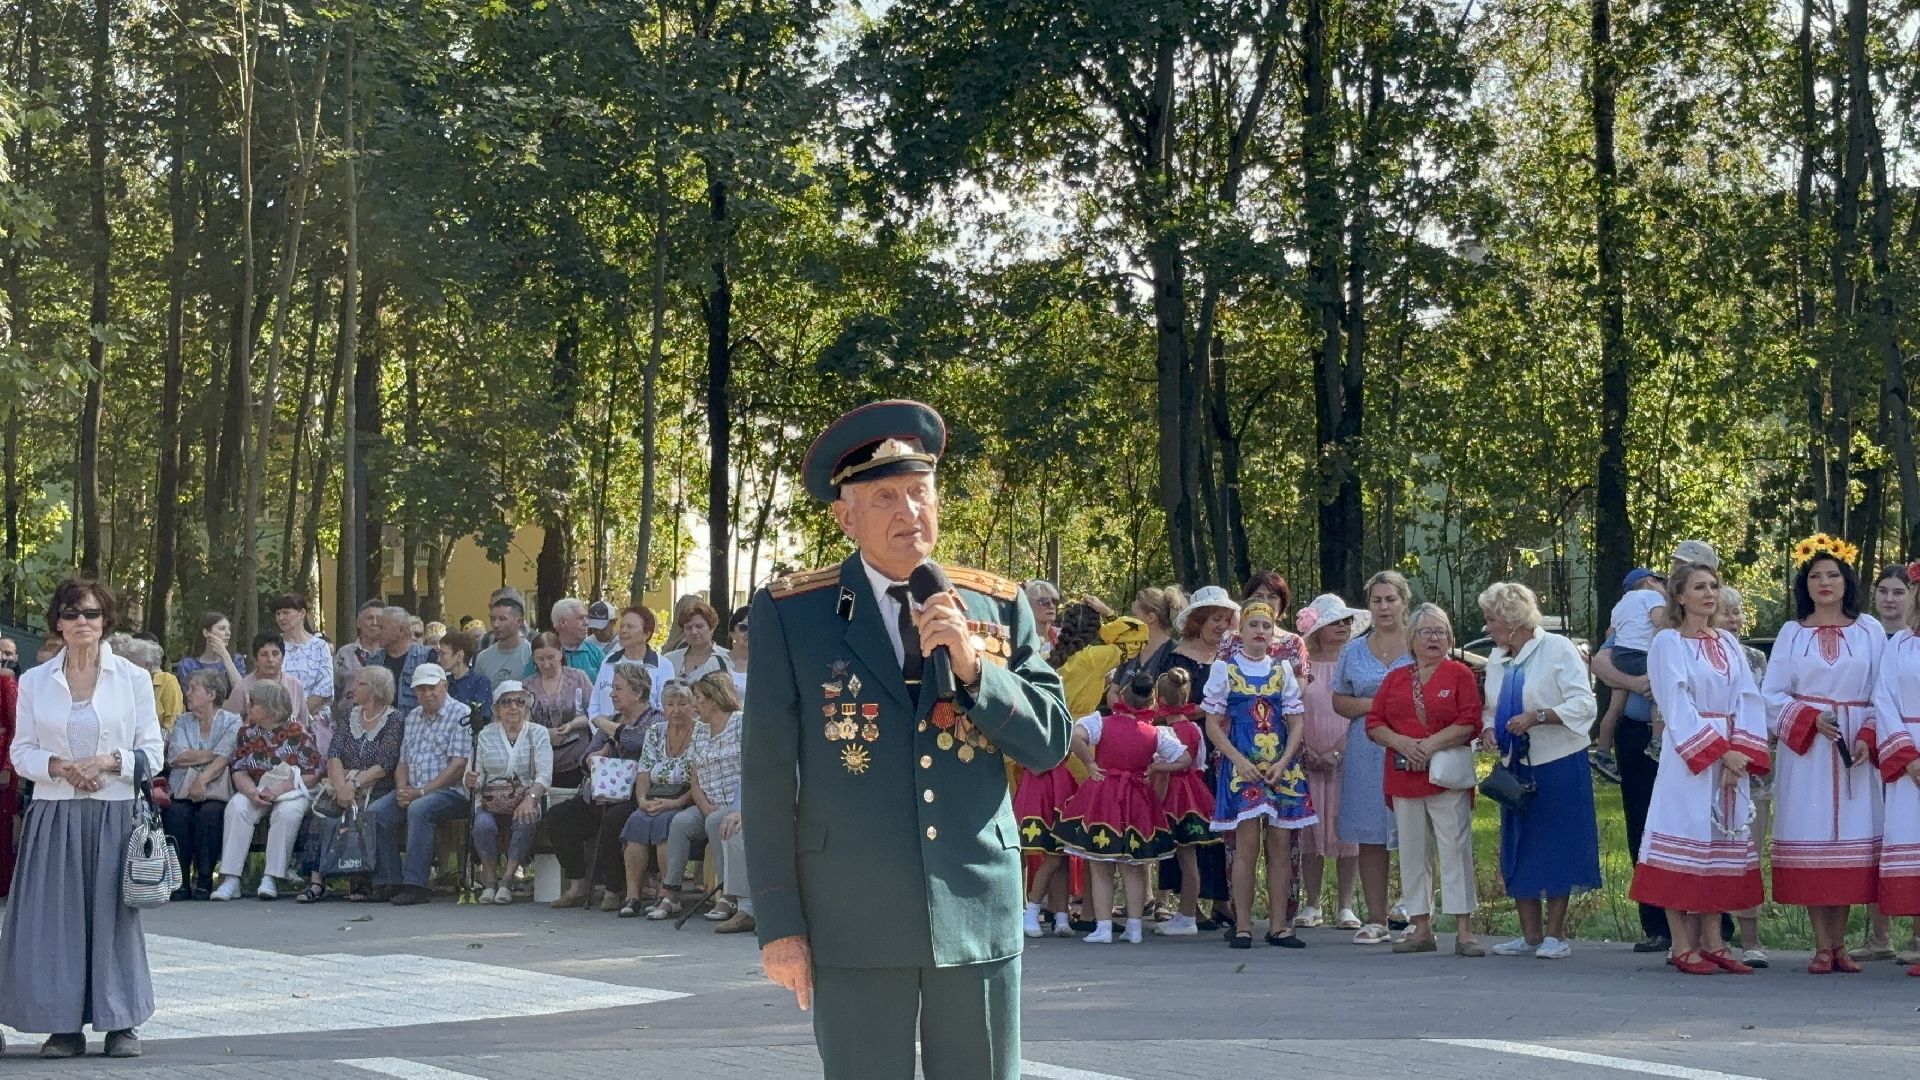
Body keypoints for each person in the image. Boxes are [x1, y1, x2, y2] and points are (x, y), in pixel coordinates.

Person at [742, 400, 1072, 1080]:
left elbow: (1049, 744)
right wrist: (779, 922)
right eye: (885, 496)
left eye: (920, 493)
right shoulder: (794, 615)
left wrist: (978, 670)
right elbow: (768, 775)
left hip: (975, 908)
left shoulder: (996, 607)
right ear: (846, 517)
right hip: (853, 918)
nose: (908, 512)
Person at [0, 578, 163, 1058]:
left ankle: (122, 1023)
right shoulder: (33, 681)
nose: (82, 623)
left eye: (91, 614)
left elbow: (153, 751)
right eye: (72, 615)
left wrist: (108, 762)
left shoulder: (133, 679)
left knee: (114, 919)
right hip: (54, 812)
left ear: (105, 621)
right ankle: (62, 1026)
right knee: (56, 921)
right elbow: (21, 750)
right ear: (58, 622)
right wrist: (58, 767)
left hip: (114, 814)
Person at [1630, 562, 1771, 975]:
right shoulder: (1668, 643)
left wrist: (1740, 754)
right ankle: (1680, 944)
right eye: (1698, 587)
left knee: (1722, 844)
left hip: (1731, 755)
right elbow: (1676, 704)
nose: (1709, 594)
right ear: (1678, 596)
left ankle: (1714, 940)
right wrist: (1719, 753)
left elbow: (1748, 697)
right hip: (1689, 758)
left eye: (1713, 586)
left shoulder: (1727, 641)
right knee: (1686, 838)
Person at [1762, 534, 1884, 973]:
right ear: (1805, 584)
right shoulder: (1792, 633)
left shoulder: (1869, 629)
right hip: (1808, 750)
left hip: (1856, 747)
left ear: (1847, 581)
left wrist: (1869, 733)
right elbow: (1772, 693)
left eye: (1833, 575)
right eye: (1815, 576)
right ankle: (1820, 944)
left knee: (1851, 840)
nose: (1825, 583)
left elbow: (1882, 690)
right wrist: (1809, 717)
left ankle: (1843, 945)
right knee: (1811, 834)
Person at [1477, 582, 1601, 960]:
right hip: (1516, 767)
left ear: (1514, 622)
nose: (1487, 628)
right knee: (1520, 846)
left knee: (1557, 844)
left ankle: (1555, 934)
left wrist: (1539, 717)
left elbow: (1584, 703)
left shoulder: (1557, 650)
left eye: (1491, 619)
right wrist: (1487, 727)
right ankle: (1528, 934)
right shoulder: (1499, 659)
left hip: (1558, 763)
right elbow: (1491, 705)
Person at [1367, 603, 1484, 957]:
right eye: (1427, 632)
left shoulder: (1460, 674)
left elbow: (1470, 720)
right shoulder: (1396, 678)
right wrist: (1402, 742)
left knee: (1455, 849)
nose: (1435, 638)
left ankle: (1464, 931)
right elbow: (1375, 722)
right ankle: (1421, 927)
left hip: (1446, 777)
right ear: (1411, 638)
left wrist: (1431, 745)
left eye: (1441, 632)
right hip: (1404, 777)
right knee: (1413, 853)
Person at [1204, 600, 1315, 949]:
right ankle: (1242, 924)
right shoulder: (1225, 669)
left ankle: (1280, 925)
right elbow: (1212, 725)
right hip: (1243, 764)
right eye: (1253, 625)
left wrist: (1285, 761)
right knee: (1246, 845)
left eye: (1266, 627)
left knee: (1281, 844)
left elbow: (1296, 721)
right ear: (1241, 631)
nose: (1260, 632)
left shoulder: (1282, 670)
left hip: (1280, 766)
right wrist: (1236, 760)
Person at [1056, 671, 1187, 944]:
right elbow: (1185, 758)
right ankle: (1135, 926)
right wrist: (1156, 767)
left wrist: (1090, 764)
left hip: (1103, 795)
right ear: (1150, 701)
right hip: (1138, 799)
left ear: (1122, 695)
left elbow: (1075, 737)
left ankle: (1103, 927)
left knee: (1100, 865)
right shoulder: (1156, 733)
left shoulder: (1100, 723)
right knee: (1135, 866)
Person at [1329, 570, 1412, 945]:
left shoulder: (1419, 642)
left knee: (1414, 831)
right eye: (1376, 600)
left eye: (1390, 599)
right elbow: (1339, 700)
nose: (1383, 607)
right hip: (1365, 751)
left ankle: (1413, 911)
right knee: (1370, 835)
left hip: (1412, 748)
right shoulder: (1353, 649)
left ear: (1403, 602)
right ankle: (1376, 917)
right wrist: (1374, 705)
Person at [548, 663, 660, 909]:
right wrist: (596, 755)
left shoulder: (656, 720)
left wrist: (605, 726)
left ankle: (614, 889)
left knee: (614, 819)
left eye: (618, 688)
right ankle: (577, 885)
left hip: (636, 796)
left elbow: (634, 740)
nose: (612, 694)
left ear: (638, 692)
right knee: (559, 816)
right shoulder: (612, 720)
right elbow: (585, 759)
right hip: (600, 794)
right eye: (612, 688)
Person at [1159, 586, 1239, 930]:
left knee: (1222, 824)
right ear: (1197, 621)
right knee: (1188, 825)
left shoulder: (1232, 656)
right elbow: (1165, 704)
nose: (1220, 625)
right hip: (1188, 749)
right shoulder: (1176, 656)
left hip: (1227, 747)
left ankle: (1222, 899)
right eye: (1214, 619)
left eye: (1225, 619)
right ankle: (1189, 905)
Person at [1293, 594, 1369, 931]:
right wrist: (1307, 750)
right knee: (1311, 832)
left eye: (1346, 621)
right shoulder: (1302, 664)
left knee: (1346, 831)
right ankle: (1311, 903)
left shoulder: (1353, 662)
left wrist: (1340, 750)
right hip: (1308, 758)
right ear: (1318, 629)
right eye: (1335, 621)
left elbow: (1359, 709)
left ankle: (1345, 905)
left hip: (1347, 757)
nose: (1343, 627)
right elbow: (1291, 709)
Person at [297, 666, 403, 904]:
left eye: (361, 683)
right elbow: (334, 754)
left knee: (364, 815)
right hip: (342, 781)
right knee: (321, 815)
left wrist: (353, 784)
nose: (353, 688)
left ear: (376, 691)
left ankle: (361, 880)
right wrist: (341, 785)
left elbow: (385, 763)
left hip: (376, 785)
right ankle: (316, 881)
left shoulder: (394, 719)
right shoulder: (349, 715)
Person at [371, 663, 472, 905]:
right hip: (415, 789)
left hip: (451, 792)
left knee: (420, 809)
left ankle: (415, 884)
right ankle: (390, 880)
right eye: (421, 689)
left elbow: (458, 766)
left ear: (444, 686)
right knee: (375, 813)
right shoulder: (413, 716)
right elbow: (403, 760)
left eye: (432, 687)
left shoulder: (462, 714)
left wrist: (421, 792)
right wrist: (403, 788)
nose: (427, 694)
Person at [1858, 563, 1919, 963]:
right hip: (1904, 752)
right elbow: (1883, 698)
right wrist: (1907, 755)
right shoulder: (1898, 645)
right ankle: (1896, 935)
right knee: (1903, 838)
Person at [212, 680, 320, 901]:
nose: (248, 707)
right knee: (238, 806)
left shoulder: (299, 733)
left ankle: (271, 877)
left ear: (271, 707)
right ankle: (231, 878)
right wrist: (252, 792)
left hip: (291, 790)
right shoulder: (246, 733)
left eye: (253, 703)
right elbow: (238, 769)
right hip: (257, 788)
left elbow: (312, 773)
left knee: (287, 812)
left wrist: (279, 789)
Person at [658, 672, 745, 923]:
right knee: (681, 822)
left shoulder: (740, 723)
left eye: (698, 699)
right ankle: (671, 892)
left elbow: (751, 769)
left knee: (717, 821)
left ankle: (729, 895)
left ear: (714, 701)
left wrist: (720, 811)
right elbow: (695, 777)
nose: (695, 705)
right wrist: (705, 807)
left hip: (737, 803)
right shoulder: (700, 731)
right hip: (707, 802)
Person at [1717, 584, 1774, 967]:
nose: (1734, 619)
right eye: (1726, 612)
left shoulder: (1756, 659)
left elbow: (1763, 713)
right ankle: (1697, 938)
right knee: (1703, 851)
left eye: (1737, 612)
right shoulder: (1688, 652)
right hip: (1706, 764)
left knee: (1748, 853)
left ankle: (1751, 940)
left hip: (1751, 773)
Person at [618, 676, 699, 917]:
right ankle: (633, 896)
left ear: (693, 706)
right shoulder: (655, 731)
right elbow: (643, 771)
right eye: (670, 704)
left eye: (682, 704)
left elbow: (699, 778)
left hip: (685, 797)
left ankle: (669, 895)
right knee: (636, 821)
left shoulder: (700, 732)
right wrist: (642, 800)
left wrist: (675, 802)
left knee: (666, 824)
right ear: (663, 707)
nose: (676, 710)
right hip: (656, 795)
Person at [465, 680, 552, 905]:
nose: (513, 707)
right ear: (496, 708)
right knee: (483, 825)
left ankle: (507, 880)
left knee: (526, 818)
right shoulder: (484, 735)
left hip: (525, 796)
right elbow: (476, 774)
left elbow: (544, 775)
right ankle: (490, 880)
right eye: (506, 702)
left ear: (526, 706)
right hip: (491, 799)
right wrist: (472, 779)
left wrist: (530, 799)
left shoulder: (538, 733)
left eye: (519, 701)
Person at [161, 669, 240, 900]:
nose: (188, 693)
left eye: (193, 688)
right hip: (181, 788)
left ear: (211, 694)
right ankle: (180, 880)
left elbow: (227, 755)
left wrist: (202, 778)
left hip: (215, 789)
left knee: (211, 814)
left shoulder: (231, 720)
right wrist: (214, 754)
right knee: (176, 813)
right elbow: (177, 756)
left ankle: (205, 878)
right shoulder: (182, 721)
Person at [1149, 668, 1215, 936]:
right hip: (1193, 791)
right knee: (1189, 857)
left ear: (1160, 699)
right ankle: (1185, 912)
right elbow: (1200, 763)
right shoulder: (1194, 729)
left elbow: (1153, 763)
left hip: (1170, 795)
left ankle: (1187, 917)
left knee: (1185, 858)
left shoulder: (1160, 732)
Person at [1051, 598, 1147, 717]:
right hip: (1082, 723)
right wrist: (1107, 613)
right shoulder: (1095, 657)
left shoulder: (1049, 654)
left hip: (1050, 720)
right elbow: (1139, 634)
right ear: (1095, 630)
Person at [525, 631, 596, 787]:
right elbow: (524, 724)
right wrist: (546, 733)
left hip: (576, 759)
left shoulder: (578, 678)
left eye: (551, 657)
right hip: (540, 762)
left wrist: (572, 725)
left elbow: (595, 714)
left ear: (561, 653)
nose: (546, 664)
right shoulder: (527, 686)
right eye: (540, 659)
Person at [226, 633, 317, 752]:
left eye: (275, 654)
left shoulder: (295, 685)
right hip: (252, 750)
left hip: (292, 751)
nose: (270, 660)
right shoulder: (243, 687)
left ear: (283, 657)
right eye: (264, 654)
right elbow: (230, 725)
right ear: (255, 660)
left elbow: (303, 723)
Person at [1221, 573, 1310, 687]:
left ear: (1282, 603)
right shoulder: (1230, 640)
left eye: (1272, 597)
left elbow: (1299, 688)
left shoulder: (1293, 643)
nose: (1265, 601)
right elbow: (1219, 683)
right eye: (1258, 596)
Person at [592, 605, 675, 716]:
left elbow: (665, 708)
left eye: (630, 627)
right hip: (604, 731)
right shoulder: (608, 661)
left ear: (646, 634)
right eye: (622, 626)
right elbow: (594, 705)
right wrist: (600, 730)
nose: (623, 631)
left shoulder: (663, 665)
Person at [272, 593, 334, 730]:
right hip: (276, 721)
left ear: (302, 613)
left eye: (286, 612)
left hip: (314, 722)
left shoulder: (320, 646)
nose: (281, 618)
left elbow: (324, 689)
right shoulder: (273, 646)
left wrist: (297, 717)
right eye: (278, 614)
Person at [333, 600, 388, 727]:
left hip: (384, 725)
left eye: (379, 619)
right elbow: (333, 693)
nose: (375, 623)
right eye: (370, 618)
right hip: (347, 725)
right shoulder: (344, 653)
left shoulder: (391, 654)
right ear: (359, 622)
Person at [112, 637, 181, 737]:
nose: (127, 666)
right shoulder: (126, 682)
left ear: (147, 665)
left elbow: (173, 725)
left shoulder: (167, 681)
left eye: (131, 662)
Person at [379, 606, 436, 713]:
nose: (378, 632)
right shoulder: (374, 659)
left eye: (383, 628)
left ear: (400, 630)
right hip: (380, 726)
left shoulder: (426, 656)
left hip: (415, 725)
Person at [175, 610, 247, 690]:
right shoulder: (188, 665)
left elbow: (242, 693)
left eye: (228, 629)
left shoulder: (236, 660)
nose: (228, 633)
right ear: (206, 633)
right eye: (222, 629)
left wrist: (225, 657)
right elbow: (190, 697)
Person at [664, 599, 732, 683]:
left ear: (711, 628)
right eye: (688, 628)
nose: (694, 632)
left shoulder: (726, 660)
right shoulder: (670, 660)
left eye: (699, 626)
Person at [475, 595, 533, 690]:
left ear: (519, 622)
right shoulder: (483, 658)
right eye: (492, 619)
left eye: (502, 619)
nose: (495, 624)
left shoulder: (531, 654)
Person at [437, 629, 492, 728]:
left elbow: (482, 716)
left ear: (459, 654)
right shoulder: (442, 682)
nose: (439, 659)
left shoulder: (480, 682)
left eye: (443, 654)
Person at [546, 598, 606, 678]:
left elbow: (611, 685)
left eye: (586, 617)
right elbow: (527, 687)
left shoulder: (596, 653)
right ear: (563, 623)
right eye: (580, 618)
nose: (586, 623)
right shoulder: (544, 654)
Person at [1025, 579, 1063, 660]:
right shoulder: (1021, 638)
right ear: (1028, 605)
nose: (1051, 605)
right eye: (1044, 601)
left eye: (1054, 601)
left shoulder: (1062, 635)